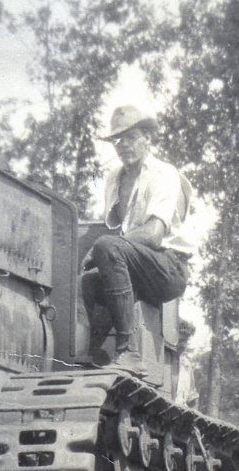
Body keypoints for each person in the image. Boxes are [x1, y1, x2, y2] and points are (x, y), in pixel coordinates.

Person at [81, 106, 194, 374]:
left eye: (130, 137)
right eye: (117, 140)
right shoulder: (114, 178)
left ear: (147, 139)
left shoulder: (164, 173)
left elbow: (153, 235)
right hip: (137, 264)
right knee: (89, 282)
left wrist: (99, 249)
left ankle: (128, 352)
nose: (123, 145)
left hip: (169, 267)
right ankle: (92, 352)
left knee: (106, 247)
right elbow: (119, 233)